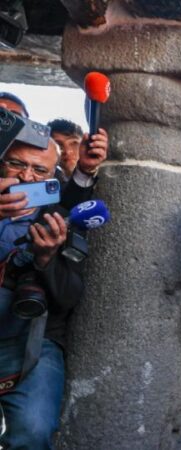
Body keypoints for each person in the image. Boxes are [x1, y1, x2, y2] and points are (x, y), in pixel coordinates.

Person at [0, 136, 96, 448]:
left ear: (54, 177)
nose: (26, 177)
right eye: (17, 164)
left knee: (33, 430)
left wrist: (46, 259)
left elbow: (70, 296)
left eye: (39, 171)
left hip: (31, 340)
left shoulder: (60, 217)